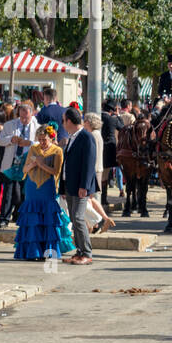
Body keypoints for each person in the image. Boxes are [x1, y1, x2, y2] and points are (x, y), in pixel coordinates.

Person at [13, 125, 74, 260]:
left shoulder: (57, 151)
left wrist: (41, 164)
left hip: (47, 187)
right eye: (39, 139)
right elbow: (24, 170)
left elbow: (56, 171)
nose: (41, 142)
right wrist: (33, 165)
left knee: (48, 219)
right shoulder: (34, 149)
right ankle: (32, 252)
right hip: (32, 187)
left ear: (51, 138)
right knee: (32, 219)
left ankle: (48, 252)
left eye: (44, 140)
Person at [59, 108, 98, 265]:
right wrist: (63, 187)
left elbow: (89, 164)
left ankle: (87, 253)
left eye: (63, 120)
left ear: (69, 121)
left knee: (78, 217)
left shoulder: (86, 137)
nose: (62, 124)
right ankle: (80, 251)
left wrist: (85, 186)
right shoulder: (72, 137)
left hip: (80, 186)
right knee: (74, 219)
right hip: (70, 184)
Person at [0, 101, 35, 227]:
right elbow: (0, 141)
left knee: (24, 192)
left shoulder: (37, 126)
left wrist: (30, 143)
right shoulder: (9, 125)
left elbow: (43, 143)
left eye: (26, 117)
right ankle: (4, 219)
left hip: (27, 162)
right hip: (11, 162)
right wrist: (11, 140)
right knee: (8, 191)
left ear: (31, 115)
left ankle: (22, 218)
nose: (23, 120)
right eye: (21, 117)